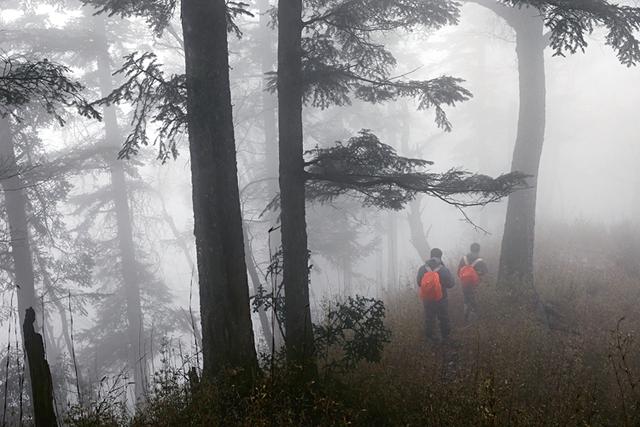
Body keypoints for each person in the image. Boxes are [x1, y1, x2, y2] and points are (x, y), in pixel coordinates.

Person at [416, 248, 455, 344]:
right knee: (443, 317)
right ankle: (445, 338)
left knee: (429, 318)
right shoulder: (444, 269)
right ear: (440, 257)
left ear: (430, 256)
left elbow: (419, 283)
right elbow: (451, 284)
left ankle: (430, 339)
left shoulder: (422, 268)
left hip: (427, 299)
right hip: (441, 298)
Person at [457, 242, 488, 324]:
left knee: (466, 300)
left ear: (470, 249)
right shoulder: (480, 261)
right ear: (479, 250)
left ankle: (466, 318)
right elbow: (485, 272)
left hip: (464, 284)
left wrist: (464, 277)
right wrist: (478, 275)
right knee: (474, 300)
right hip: (475, 284)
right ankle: (475, 321)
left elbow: (458, 272)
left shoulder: (463, 259)